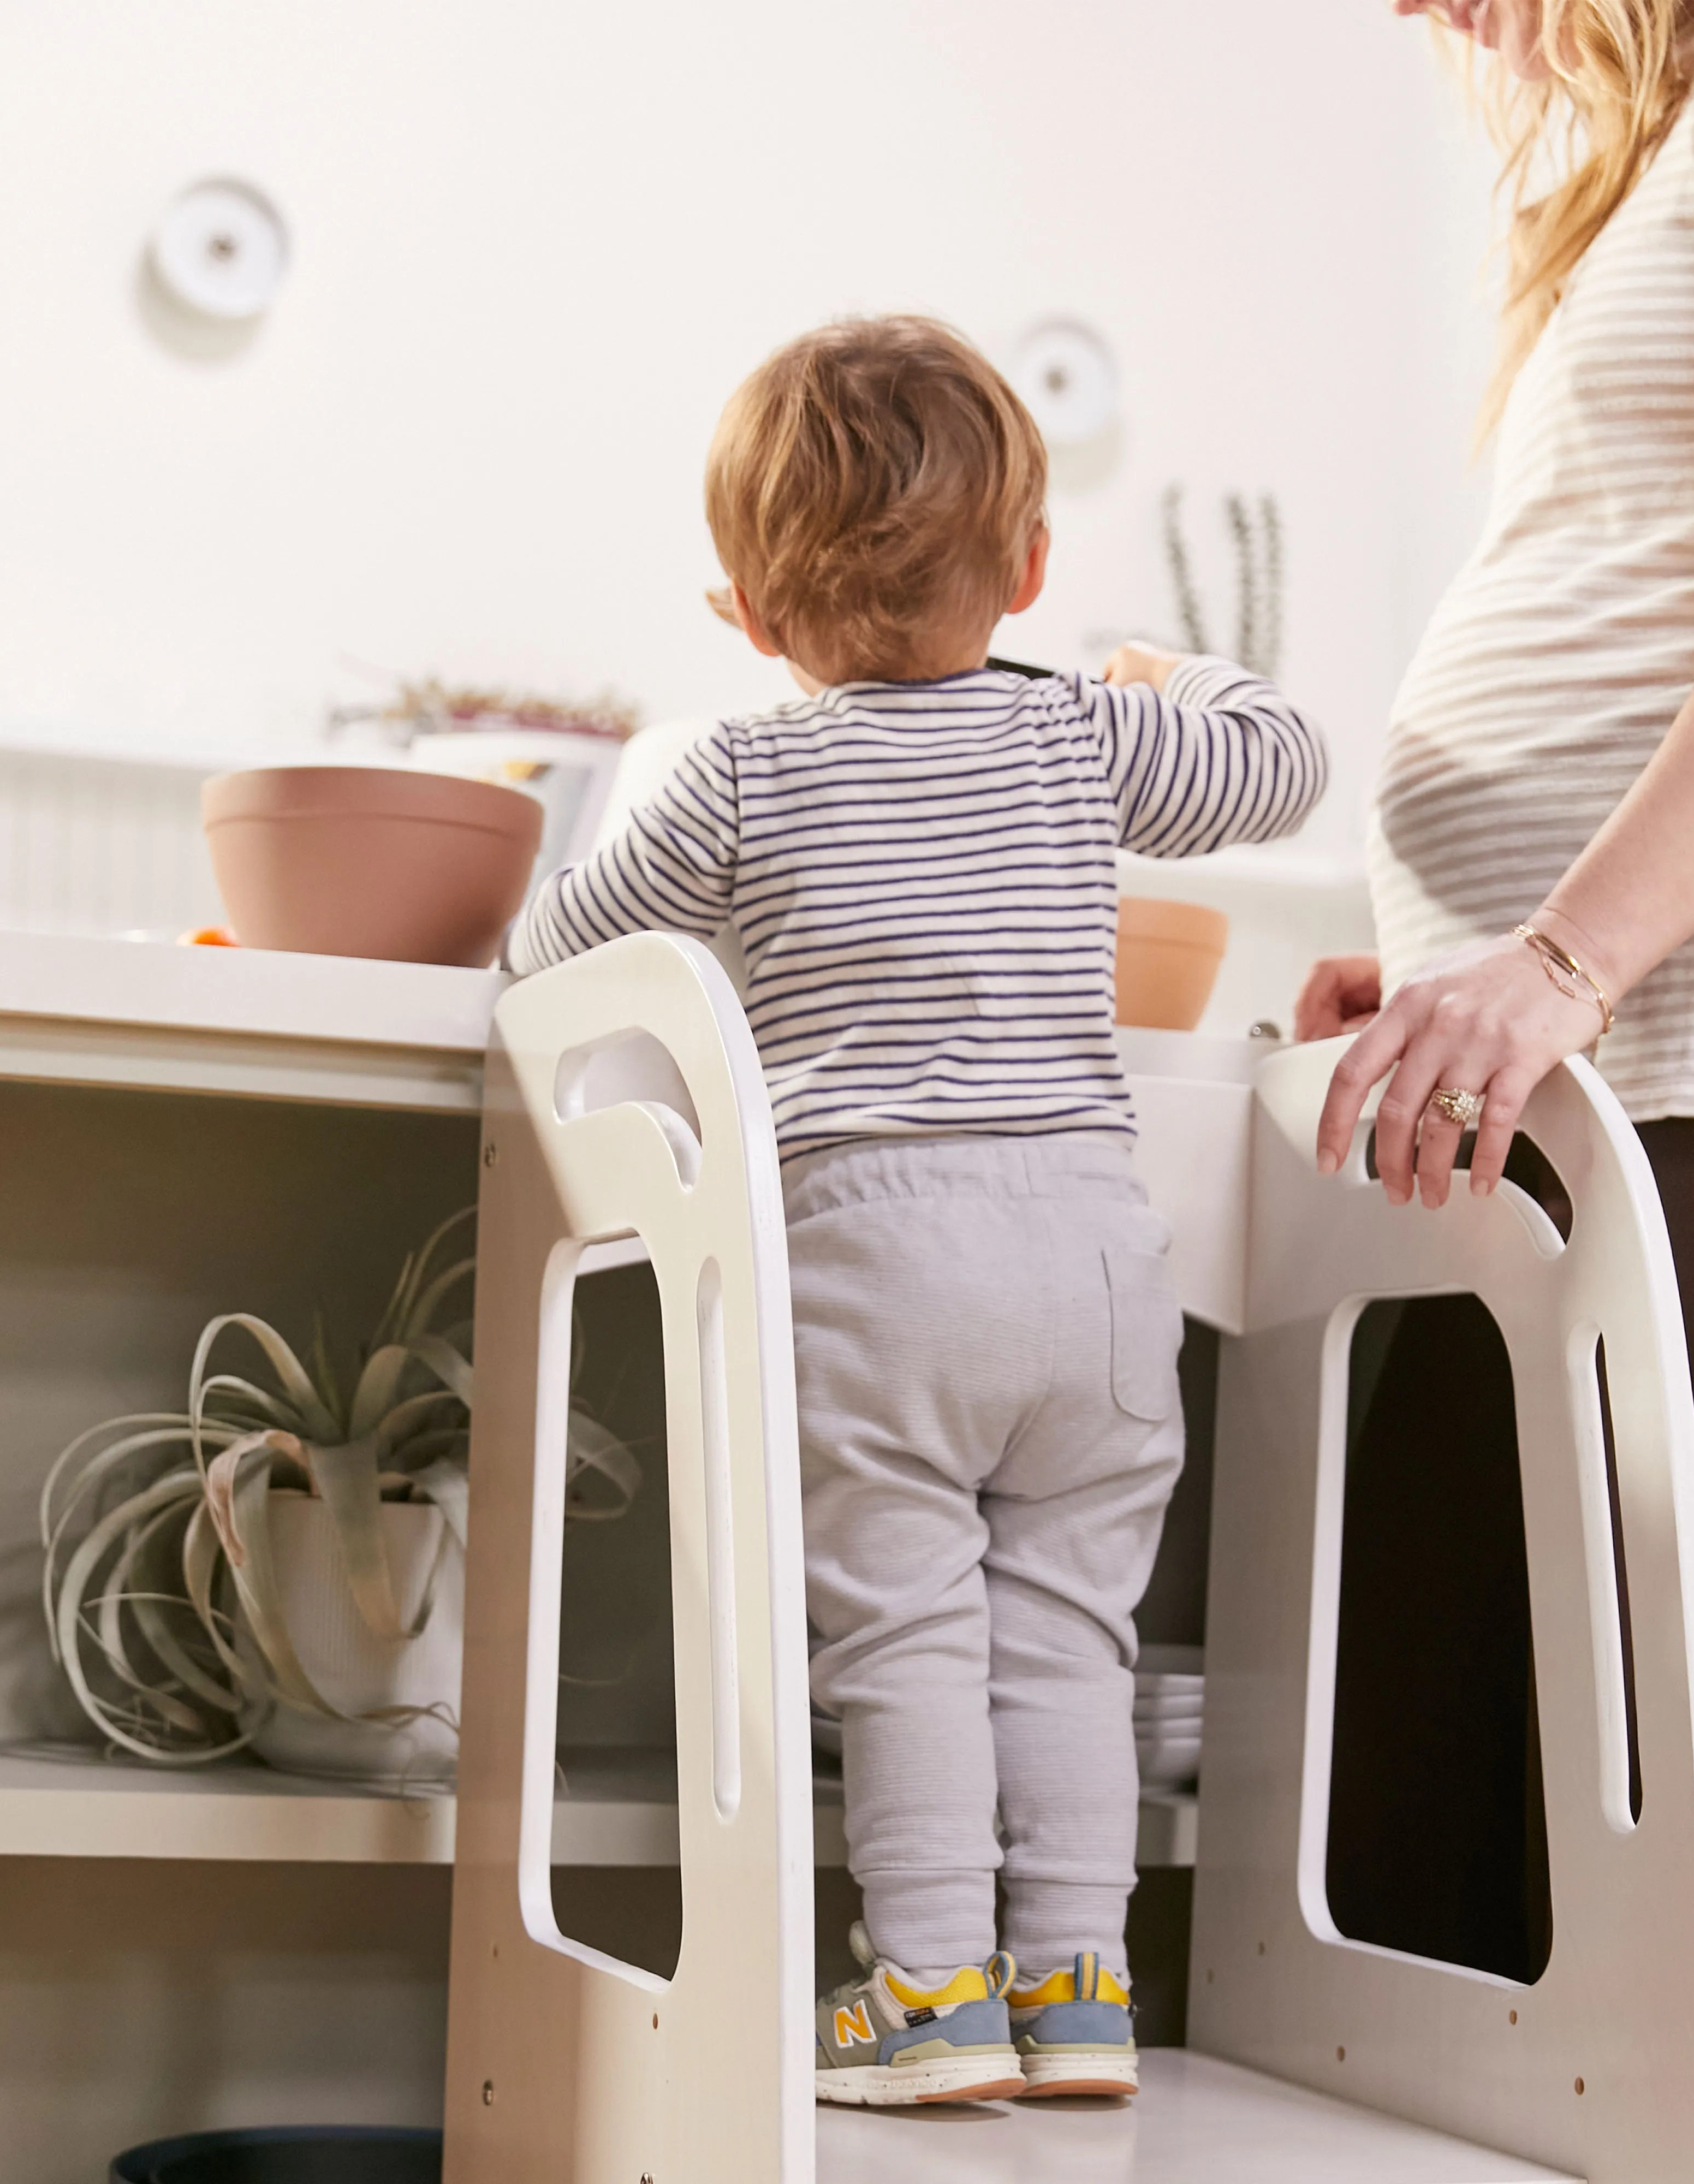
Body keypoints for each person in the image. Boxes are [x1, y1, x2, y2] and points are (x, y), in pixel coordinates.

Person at [506, 314, 1326, 2105]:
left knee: (906, 1639)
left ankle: (934, 1995)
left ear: (740, 608)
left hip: (882, 1260)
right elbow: (1283, 757)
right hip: (1094, 1255)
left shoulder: (733, 774)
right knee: (1070, 1639)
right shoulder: (1082, 742)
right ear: (1028, 569)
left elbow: (550, 956)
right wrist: (1169, 672)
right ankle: (1085, 1992)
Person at [1302, 4, 1694, 2177]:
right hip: (1583, 1059)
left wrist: (1563, 950)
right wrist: (1457, 961)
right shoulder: (1641, 142)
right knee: (1446, 1867)